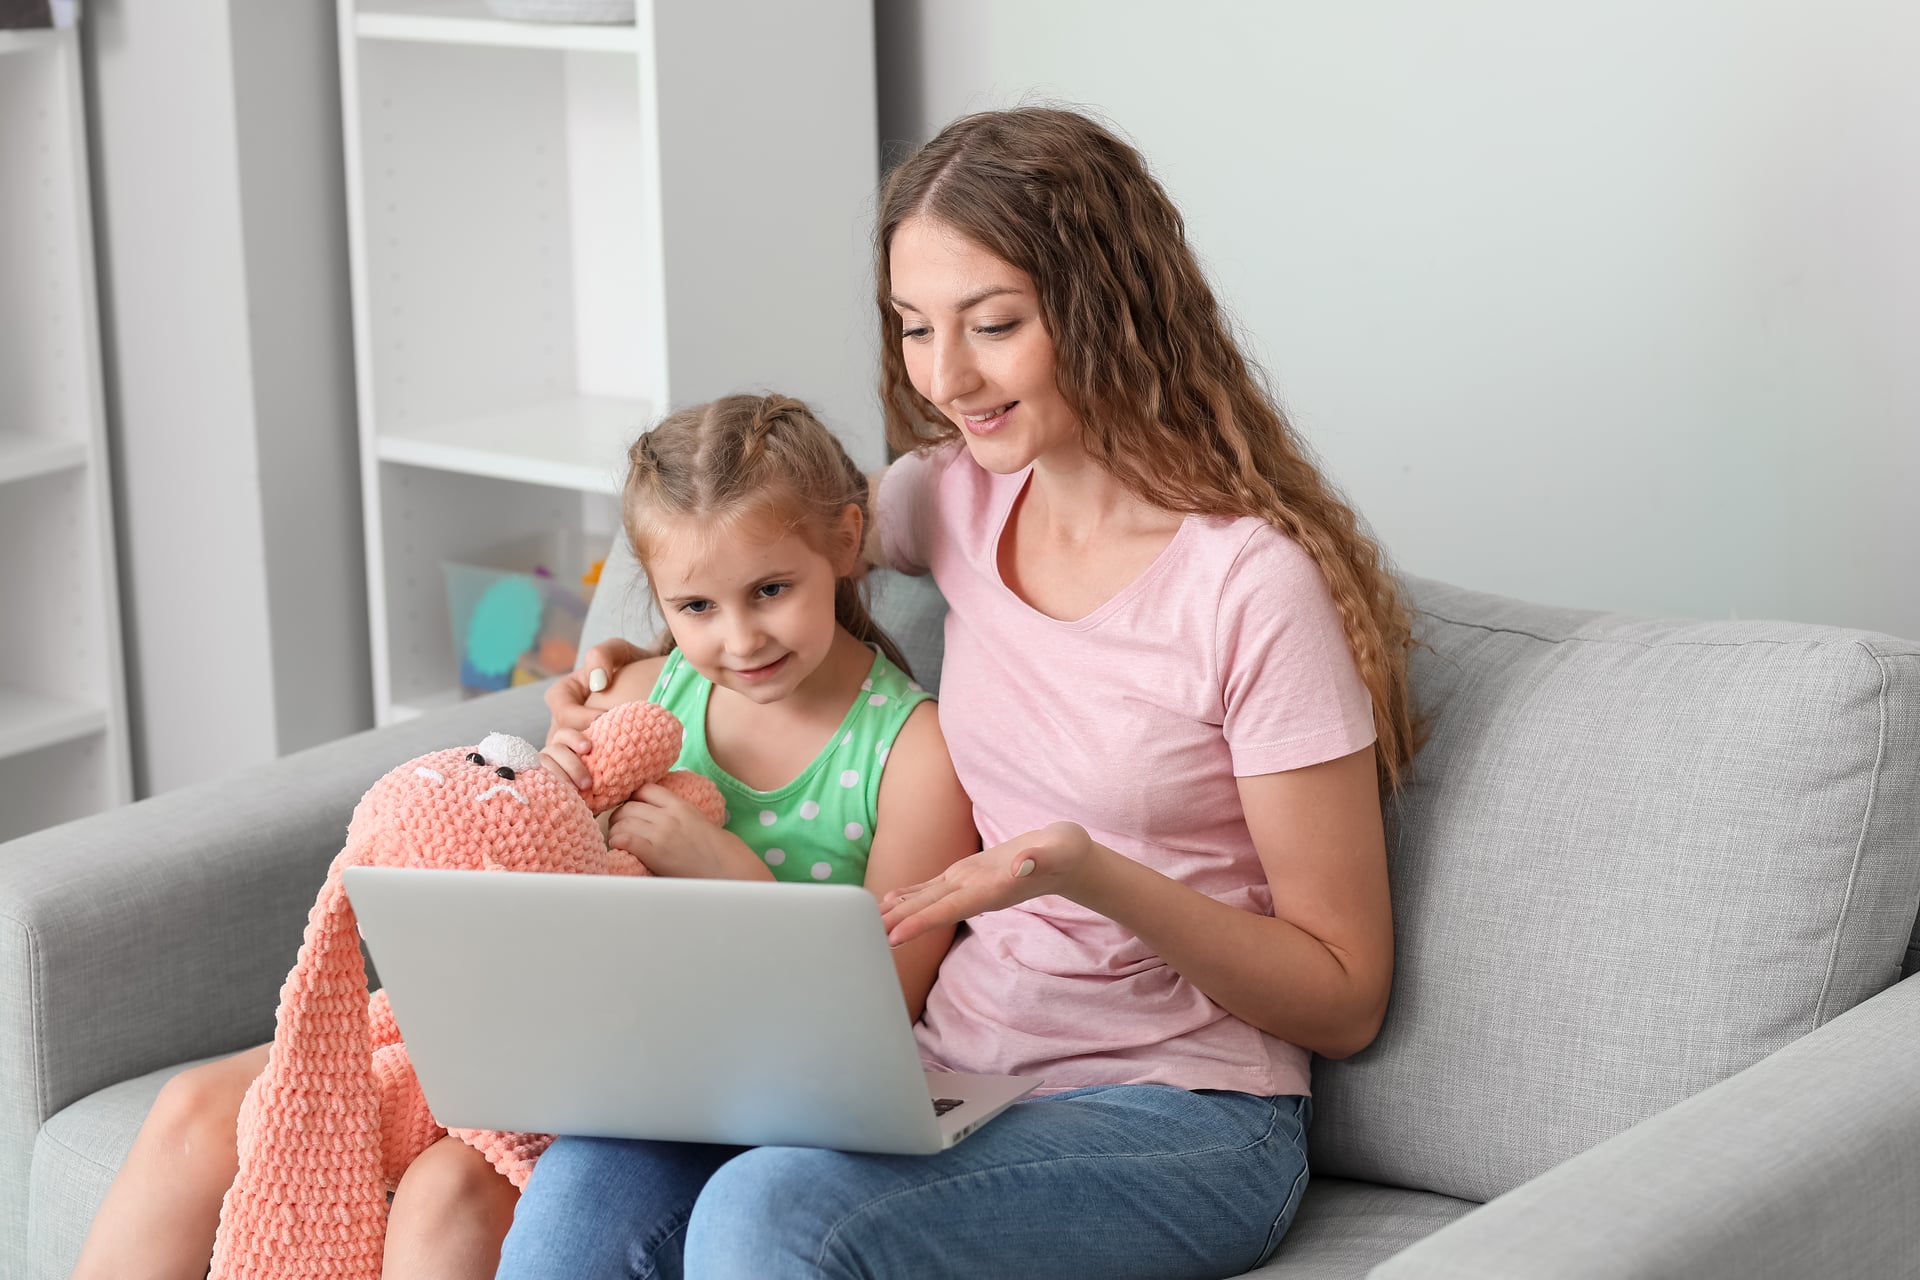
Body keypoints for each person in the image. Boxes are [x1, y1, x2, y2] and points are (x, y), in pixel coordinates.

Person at [508, 105, 1418, 1280]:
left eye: (993, 324)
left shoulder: (1252, 590)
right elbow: (749, 540)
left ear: (1107, 311)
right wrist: (618, 664)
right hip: (947, 1070)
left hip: (1180, 1109)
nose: (947, 378)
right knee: (590, 1176)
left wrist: (1087, 870)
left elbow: (1344, 996)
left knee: (773, 1213)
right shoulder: (961, 496)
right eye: (914, 328)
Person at [71, 392, 975, 1280]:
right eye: (695, 606)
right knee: (192, 1110)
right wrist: (548, 775)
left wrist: (732, 876)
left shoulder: (913, 752)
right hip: (538, 1044)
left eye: (770, 591)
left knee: (445, 1201)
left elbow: (879, 1012)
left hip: (681, 1093)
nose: (739, 638)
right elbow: (533, 867)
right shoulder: (641, 695)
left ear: (847, 542)